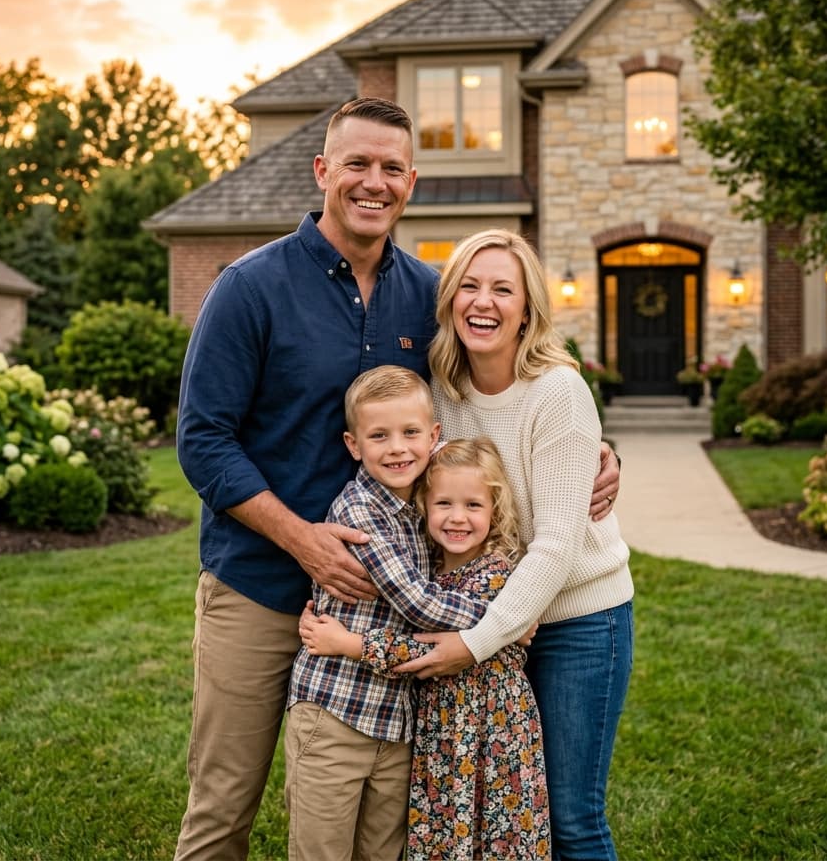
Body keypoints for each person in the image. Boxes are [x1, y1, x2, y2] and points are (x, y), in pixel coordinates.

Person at [173, 97, 621, 860]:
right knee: (223, 809)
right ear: (323, 171)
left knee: (385, 821)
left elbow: (506, 375)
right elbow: (202, 440)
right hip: (258, 585)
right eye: (357, 164)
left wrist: (596, 449)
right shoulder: (250, 287)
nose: (372, 182)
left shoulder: (428, 294)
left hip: (388, 606)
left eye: (390, 168)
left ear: (410, 182)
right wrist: (304, 541)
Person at [396, 229, 635, 861]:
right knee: (512, 815)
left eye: (504, 288)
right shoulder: (442, 394)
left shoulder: (558, 392)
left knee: (572, 820)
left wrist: (473, 644)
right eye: (469, 286)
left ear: (528, 308)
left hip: (580, 621)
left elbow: (556, 543)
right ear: (449, 302)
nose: (484, 302)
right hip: (500, 618)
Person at [301, 437, 551, 861]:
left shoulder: (498, 574)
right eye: (444, 505)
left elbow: (421, 649)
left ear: (495, 511)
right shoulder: (427, 568)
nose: (457, 518)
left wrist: (349, 643)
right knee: (446, 830)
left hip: (491, 731)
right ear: (424, 507)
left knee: (495, 835)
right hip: (443, 731)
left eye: (473, 506)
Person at [285, 366, 488, 861]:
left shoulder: (427, 507)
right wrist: (504, 617)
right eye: (379, 436)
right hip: (336, 714)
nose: (397, 448)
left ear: (434, 437)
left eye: (411, 433)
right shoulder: (360, 511)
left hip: (397, 722)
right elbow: (418, 602)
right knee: (322, 851)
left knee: (383, 852)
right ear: (354, 445)